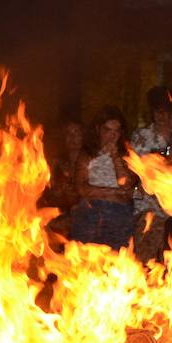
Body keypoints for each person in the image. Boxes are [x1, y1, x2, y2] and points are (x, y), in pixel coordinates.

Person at [70, 107, 136, 250]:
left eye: (116, 131)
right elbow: (81, 188)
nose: (112, 136)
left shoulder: (126, 155)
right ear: (98, 129)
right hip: (91, 211)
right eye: (108, 130)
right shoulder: (87, 154)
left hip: (119, 213)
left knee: (116, 260)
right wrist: (112, 193)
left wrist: (115, 156)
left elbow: (125, 185)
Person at [131, 87, 172, 262]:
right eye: (157, 110)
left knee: (170, 259)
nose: (161, 115)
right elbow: (135, 167)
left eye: (165, 110)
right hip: (146, 206)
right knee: (143, 257)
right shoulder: (141, 135)